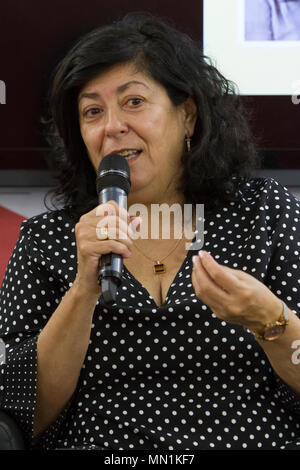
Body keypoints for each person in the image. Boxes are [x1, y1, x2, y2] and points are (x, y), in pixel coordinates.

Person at [0, 12, 300, 451]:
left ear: (188, 116)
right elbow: (22, 416)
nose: (112, 126)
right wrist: (84, 288)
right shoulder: (48, 241)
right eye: (92, 112)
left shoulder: (262, 214)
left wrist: (272, 322)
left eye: (134, 102)